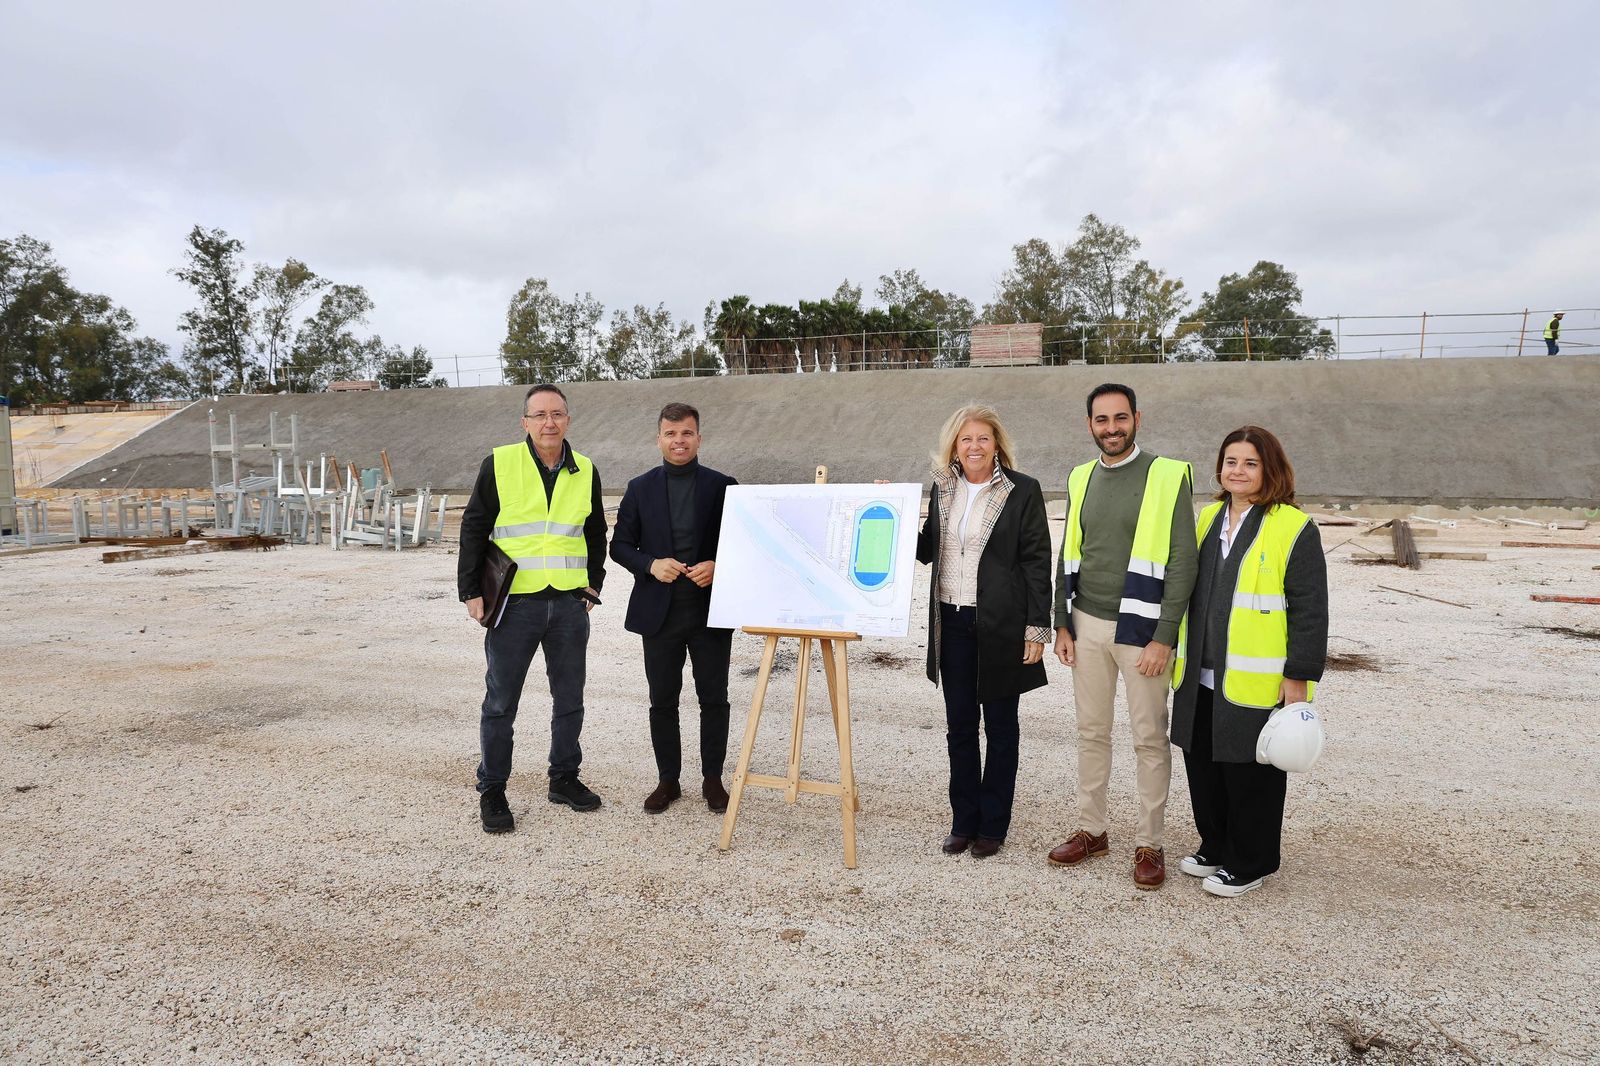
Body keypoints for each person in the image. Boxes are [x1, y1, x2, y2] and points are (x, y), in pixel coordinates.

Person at [1048, 383, 1198, 890]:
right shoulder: (1080, 477)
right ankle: (1092, 830)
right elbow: (1069, 550)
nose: (1111, 428)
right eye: (1101, 420)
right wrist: (1061, 622)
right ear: (1089, 424)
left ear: (1137, 418)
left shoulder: (1167, 475)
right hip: (1086, 624)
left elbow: (1182, 561)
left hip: (1142, 631)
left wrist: (1165, 636)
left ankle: (1149, 842)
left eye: (1120, 418)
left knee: (1148, 739)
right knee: (1091, 732)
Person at [1169, 425, 1327, 897]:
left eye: (1250, 463)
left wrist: (1298, 674)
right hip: (1198, 668)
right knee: (1203, 763)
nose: (1238, 471)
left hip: (1255, 675)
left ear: (1270, 469)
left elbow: (1309, 607)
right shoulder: (1207, 517)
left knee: (1249, 771)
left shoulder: (1293, 526)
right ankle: (1215, 844)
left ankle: (1251, 860)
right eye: (1231, 461)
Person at [459, 383, 608, 832]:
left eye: (557, 414)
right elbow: (474, 527)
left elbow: (596, 532)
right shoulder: (500, 463)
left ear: (568, 420)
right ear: (524, 421)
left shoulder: (585, 469)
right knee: (501, 701)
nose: (549, 422)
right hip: (513, 604)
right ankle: (493, 789)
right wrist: (471, 591)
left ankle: (564, 777)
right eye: (539, 414)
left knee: (570, 699)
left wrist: (591, 587)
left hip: (567, 605)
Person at [916, 403, 1052, 859]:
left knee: (1000, 726)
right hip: (950, 622)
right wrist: (889, 505)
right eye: (966, 439)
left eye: (983, 438)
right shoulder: (941, 489)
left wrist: (1037, 628)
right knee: (959, 727)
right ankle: (963, 821)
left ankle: (993, 826)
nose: (974, 446)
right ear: (954, 444)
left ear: (997, 444)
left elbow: (1037, 562)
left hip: (1001, 625)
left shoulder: (1022, 490)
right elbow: (924, 550)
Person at [610, 402, 738, 814]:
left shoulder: (724, 486)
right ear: (659, 438)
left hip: (709, 610)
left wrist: (719, 566)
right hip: (659, 613)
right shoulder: (639, 488)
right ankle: (668, 780)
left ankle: (713, 780)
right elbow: (620, 547)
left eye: (686, 433)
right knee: (662, 699)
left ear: (699, 437)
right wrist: (651, 564)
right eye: (670, 433)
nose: (678, 440)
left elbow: (745, 543)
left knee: (713, 698)